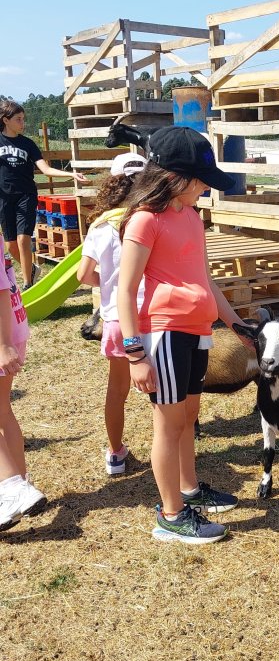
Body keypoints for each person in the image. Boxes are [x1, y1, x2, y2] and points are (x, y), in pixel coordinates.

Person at [117, 127, 251, 546]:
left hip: (197, 332)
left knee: (188, 417)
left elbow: (205, 281)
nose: (206, 189)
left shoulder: (191, 216)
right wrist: (135, 353)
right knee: (169, 424)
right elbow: (125, 290)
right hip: (165, 334)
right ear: (175, 178)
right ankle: (171, 515)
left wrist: (237, 326)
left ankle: (189, 489)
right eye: (201, 181)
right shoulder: (145, 220)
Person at [77, 152, 148, 476]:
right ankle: (172, 451)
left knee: (117, 392)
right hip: (153, 315)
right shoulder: (151, 219)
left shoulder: (101, 226)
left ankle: (116, 454)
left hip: (118, 318)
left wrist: (107, 283)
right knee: (163, 391)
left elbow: (83, 275)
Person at [0, 100, 88, 289]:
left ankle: (28, 284)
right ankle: (32, 269)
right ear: (5, 120)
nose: (23, 123)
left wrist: (71, 174)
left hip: (25, 196)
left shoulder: (28, 144)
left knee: (23, 238)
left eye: (23, 119)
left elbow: (46, 169)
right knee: (11, 245)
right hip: (4, 198)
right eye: (18, 119)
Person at [0, 232, 46, 529]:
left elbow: (1, 290)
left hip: (3, 335)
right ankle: (20, 485)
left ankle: (12, 488)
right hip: (11, 329)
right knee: (3, 411)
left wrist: (3, 344)